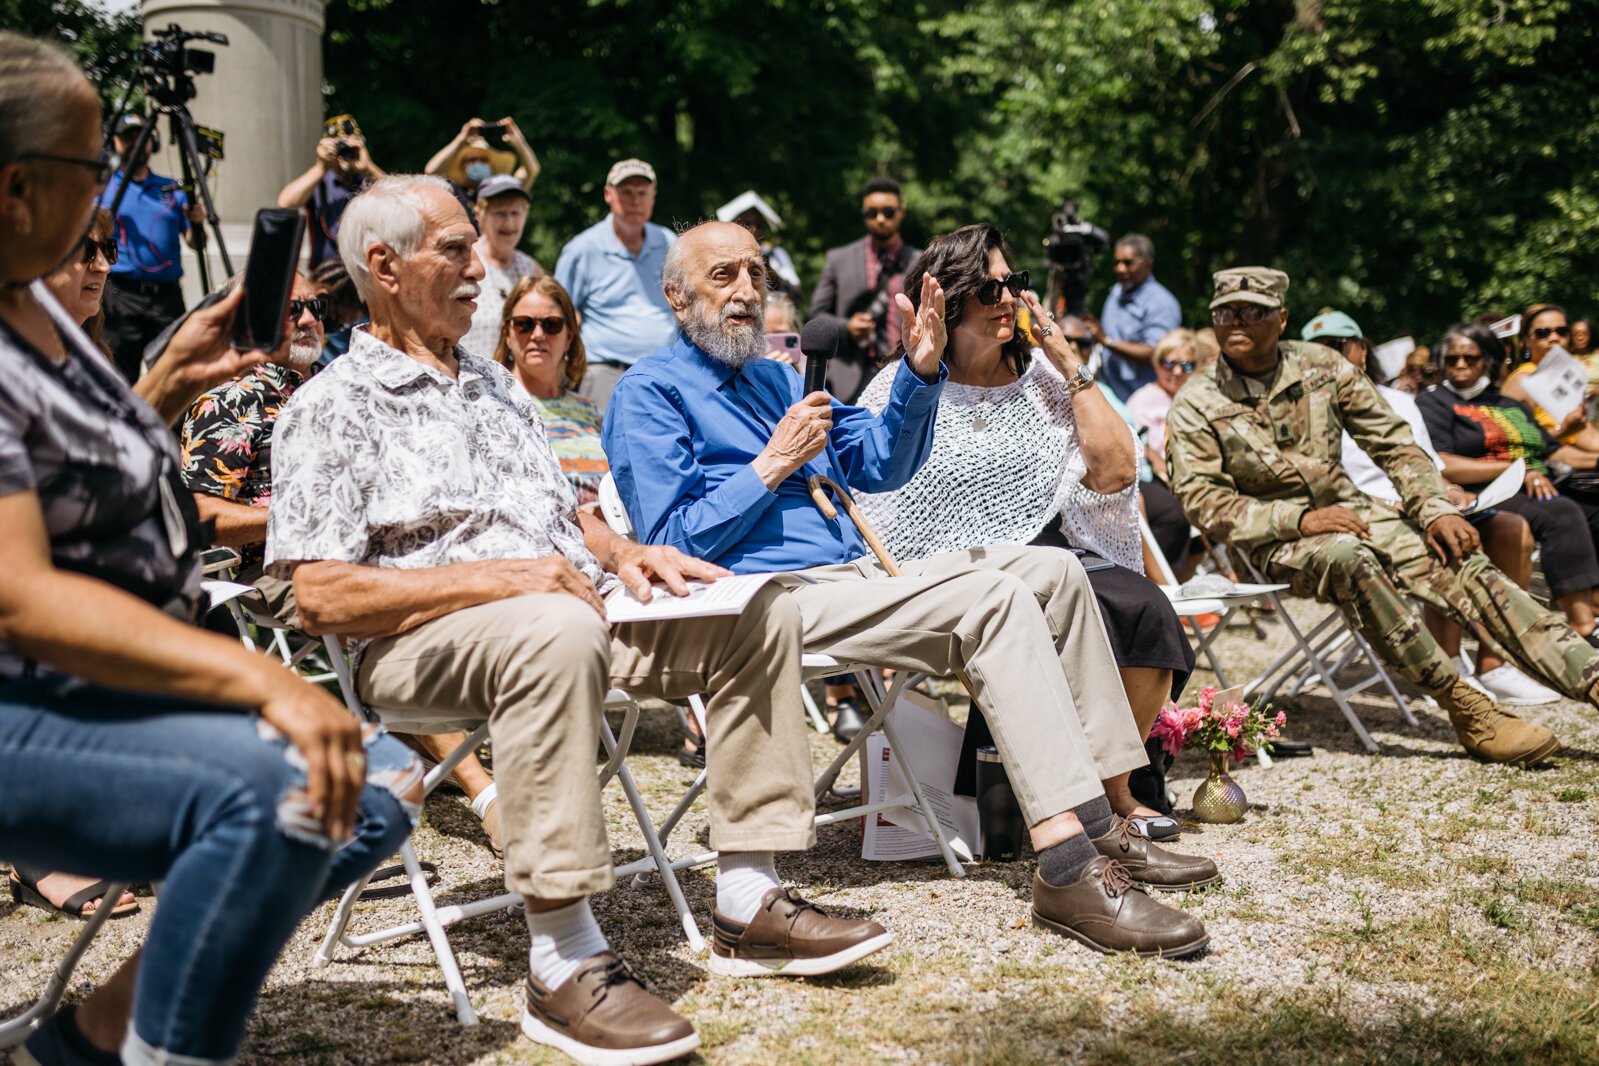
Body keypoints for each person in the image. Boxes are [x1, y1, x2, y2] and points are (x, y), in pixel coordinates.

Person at [269, 175, 894, 1065]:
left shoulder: (492, 387)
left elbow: (564, 511)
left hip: (569, 604)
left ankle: (748, 899)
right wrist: (500, 580)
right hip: (421, 646)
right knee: (549, 631)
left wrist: (623, 554)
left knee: (755, 608)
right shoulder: (331, 407)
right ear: (383, 265)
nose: (479, 270)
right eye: (454, 250)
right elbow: (320, 595)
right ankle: (562, 960)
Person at [608, 220, 1218, 960]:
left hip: (852, 577)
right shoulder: (648, 392)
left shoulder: (776, 377)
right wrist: (769, 466)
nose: (745, 292)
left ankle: (1108, 817)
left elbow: (878, 463)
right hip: (758, 599)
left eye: (755, 274)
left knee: (1053, 572)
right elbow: (669, 544)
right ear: (676, 298)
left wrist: (921, 374)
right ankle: (1066, 866)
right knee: (991, 599)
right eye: (723, 277)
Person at [0, 34, 420, 1066]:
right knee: (269, 797)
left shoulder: (43, 308)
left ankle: (97, 1041)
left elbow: (79, 473)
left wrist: (174, 378)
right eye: (91, 169)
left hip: (107, 689)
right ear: (15, 187)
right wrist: (260, 681)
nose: (107, 197)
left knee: (372, 796)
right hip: (30, 703)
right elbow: (19, 594)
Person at [1166, 266, 1599, 767]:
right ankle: (1466, 707)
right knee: (1351, 559)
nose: (1234, 321)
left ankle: (1588, 675)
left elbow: (1395, 445)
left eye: (1251, 311)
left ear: (1281, 318)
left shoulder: (1322, 367)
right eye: (1224, 312)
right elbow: (1204, 502)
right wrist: (1300, 520)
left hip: (1357, 514)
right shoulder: (1197, 401)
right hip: (1272, 541)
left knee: (1459, 554)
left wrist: (1434, 509)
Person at [850, 224, 1195, 838]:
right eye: (991, 288)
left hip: (1049, 545)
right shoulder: (900, 383)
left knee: (1144, 610)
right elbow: (883, 498)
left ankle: (1108, 789)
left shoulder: (1043, 380)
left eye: (1015, 283)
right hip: (949, 564)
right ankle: (1085, 802)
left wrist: (1069, 365)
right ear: (949, 301)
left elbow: (1116, 472)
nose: (1008, 298)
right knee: (1021, 616)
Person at [1317, 316, 1559, 706]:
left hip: (1417, 499)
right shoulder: (1306, 412)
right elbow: (1321, 484)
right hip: (1364, 513)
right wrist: (1385, 503)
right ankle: (1449, 668)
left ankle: (1494, 664)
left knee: (1513, 529)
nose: (1330, 354)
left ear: (1362, 349)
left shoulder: (1398, 401)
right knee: (1439, 537)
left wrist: (1450, 491)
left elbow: (1427, 463)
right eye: (1320, 347)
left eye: (1338, 344)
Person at [1418, 323, 1599, 647]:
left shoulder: (1508, 405)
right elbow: (1441, 460)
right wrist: (1516, 468)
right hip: (1486, 491)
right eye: (1452, 359)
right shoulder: (1435, 404)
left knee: (1593, 505)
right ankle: (1583, 626)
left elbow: (1553, 450)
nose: (1460, 365)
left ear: (1486, 360)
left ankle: (1593, 603)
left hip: (1538, 481)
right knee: (1561, 512)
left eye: (1469, 358)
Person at [554, 158, 677, 409]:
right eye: (626, 192)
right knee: (602, 448)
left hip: (666, 369)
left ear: (653, 196)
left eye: (642, 193)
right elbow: (559, 313)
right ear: (608, 194)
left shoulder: (670, 243)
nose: (635, 201)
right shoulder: (581, 250)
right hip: (604, 373)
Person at [97, 113, 207, 383]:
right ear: (115, 141)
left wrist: (198, 223)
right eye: (128, 137)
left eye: (142, 136)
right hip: (121, 294)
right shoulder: (103, 187)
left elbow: (196, 243)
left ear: (153, 141)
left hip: (168, 298)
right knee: (120, 379)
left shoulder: (171, 188)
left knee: (173, 377)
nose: (136, 142)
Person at [806, 177, 923, 403]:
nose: (880, 219)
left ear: (901, 212)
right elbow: (816, 318)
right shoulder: (838, 259)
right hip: (848, 378)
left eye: (888, 212)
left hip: (905, 373)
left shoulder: (921, 262)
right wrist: (847, 328)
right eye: (872, 213)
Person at [492, 275, 606, 503]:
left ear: (569, 338)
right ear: (507, 334)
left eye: (551, 325)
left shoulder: (589, 410)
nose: (537, 335)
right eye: (523, 324)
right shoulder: (494, 404)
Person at [1126, 328, 1201, 572]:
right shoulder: (1143, 399)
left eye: (1187, 365)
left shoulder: (1195, 398)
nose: (1177, 372)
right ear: (1157, 363)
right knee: (1174, 515)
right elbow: (1135, 440)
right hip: (1157, 478)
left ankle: (1189, 581)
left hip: (1195, 476)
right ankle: (1159, 580)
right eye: (1169, 364)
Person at [276, 114, 385, 269]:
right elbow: (285, 202)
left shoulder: (368, 180)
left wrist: (369, 167)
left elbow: (402, 198)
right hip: (326, 274)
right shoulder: (319, 181)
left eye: (351, 145)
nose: (345, 153)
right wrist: (321, 166)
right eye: (340, 146)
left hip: (363, 272)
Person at [1086, 234, 1182, 403]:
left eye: (1128, 263)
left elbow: (1155, 353)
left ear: (1148, 263)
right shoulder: (1116, 292)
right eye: (1116, 263)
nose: (1120, 269)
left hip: (1143, 405)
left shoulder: (1162, 303)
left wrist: (1107, 341)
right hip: (1110, 395)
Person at [460, 173, 542, 359]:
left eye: (515, 213)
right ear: (479, 214)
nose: (509, 223)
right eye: (500, 214)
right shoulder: (464, 261)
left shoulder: (531, 269)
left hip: (515, 382)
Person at [425, 115, 539, 198]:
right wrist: (460, 140)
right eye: (472, 160)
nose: (478, 163)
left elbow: (531, 171)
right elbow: (431, 172)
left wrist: (520, 142)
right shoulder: (452, 193)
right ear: (461, 166)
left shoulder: (501, 191)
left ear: (491, 165)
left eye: (483, 160)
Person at [717, 189, 802, 299]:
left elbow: (796, 293)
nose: (754, 229)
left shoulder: (776, 254)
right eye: (747, 223)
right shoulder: (721, 254)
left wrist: (771, 274)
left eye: (759, 225)